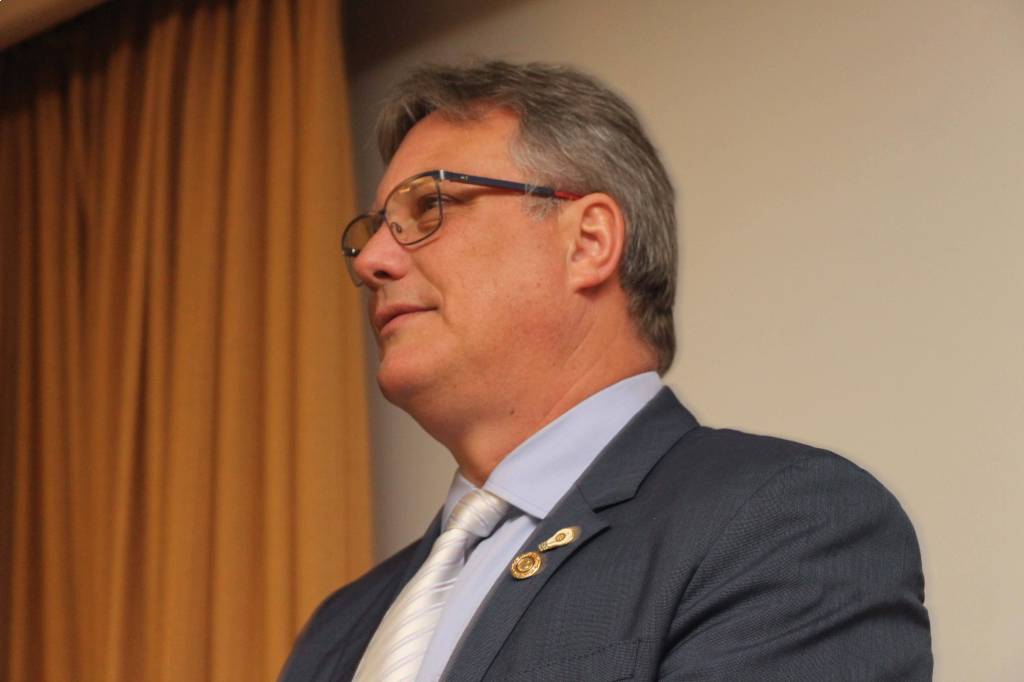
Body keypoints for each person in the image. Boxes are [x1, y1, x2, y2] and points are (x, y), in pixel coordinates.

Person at [280, 61, 932, 681]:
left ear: (588, 242)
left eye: (428, 208)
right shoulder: (339, 628)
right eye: (374, 230)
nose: (372, 261)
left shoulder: (782, 523)